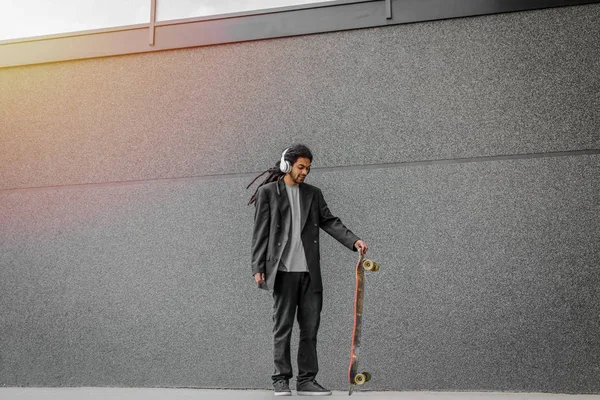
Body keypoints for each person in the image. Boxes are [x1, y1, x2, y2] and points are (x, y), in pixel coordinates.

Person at [248, 144, 368, 396]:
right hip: (282, 272)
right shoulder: (268, 192)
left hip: (309, 274)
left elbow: (329, 221)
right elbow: (260, 232)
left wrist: (353, 240)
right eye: (301, 167)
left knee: (310, 328)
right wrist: (258, 265)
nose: (305, 172)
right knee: (283, 328)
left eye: (308, 168)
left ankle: (306, 381)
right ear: (287, 165)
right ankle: (280, 379)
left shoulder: (313, 193)